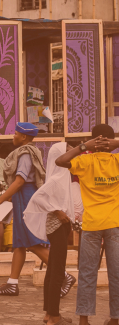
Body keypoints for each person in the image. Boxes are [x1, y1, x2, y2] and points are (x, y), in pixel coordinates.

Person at [55, 124, 119, 325]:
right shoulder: (117, 160)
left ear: (93, 140)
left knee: (87, 274)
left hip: (91, 225)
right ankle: (116, 318)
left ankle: (84, 320)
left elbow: (60, 160)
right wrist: (114, 144)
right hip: (115, 224)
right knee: (116, 274)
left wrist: (84, 147)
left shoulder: (84, 160)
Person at [0, 123, 54, 296]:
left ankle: (63, 274)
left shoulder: (24, 153)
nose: (13, 136)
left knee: (30, 242)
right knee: (20, 244)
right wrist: (8, 197)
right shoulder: (30, 151)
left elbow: (20, 181)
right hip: (21, 195)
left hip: (25, 196)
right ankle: (12, 283)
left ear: (23, 137)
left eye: (15, 134)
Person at [25, 142, 83, 325]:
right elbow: (38, 198)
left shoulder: (64, 174)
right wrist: (58, 211)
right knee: (57, 271)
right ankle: (55, 317)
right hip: (57, 226)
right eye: (68, 151)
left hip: (60, 226)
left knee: (52, 271)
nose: (71, 153)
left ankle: (49, 314)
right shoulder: (58, 177)